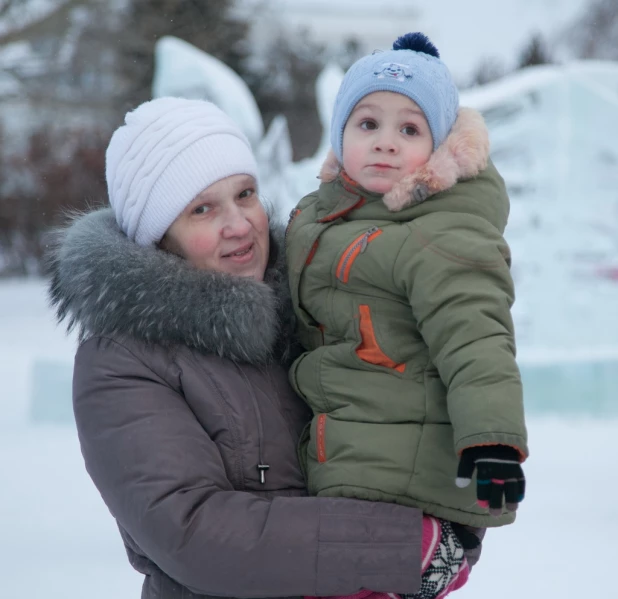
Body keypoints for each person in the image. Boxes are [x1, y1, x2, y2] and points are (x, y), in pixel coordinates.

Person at [46, 97, 469, 599]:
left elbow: (416, 418)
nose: (240, 225)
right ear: (157, 236)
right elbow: (191, 529)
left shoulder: (318, 307)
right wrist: (398, 548)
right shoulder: (123, 360)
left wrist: (459, 518)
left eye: (244, 194)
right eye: (202, 208)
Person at [285, 33, 529, 598]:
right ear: (340, 135)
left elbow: (477, 340)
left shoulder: (442, 233)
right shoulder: (319, 220)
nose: (386, 144)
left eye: (410, 129)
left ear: (442, 146)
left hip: (407, 491)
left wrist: (492, 442)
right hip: (347, 467)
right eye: (368, 124)